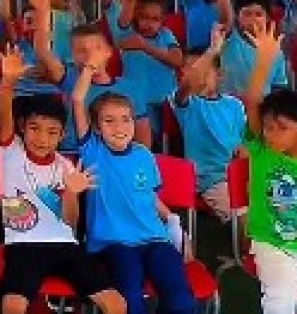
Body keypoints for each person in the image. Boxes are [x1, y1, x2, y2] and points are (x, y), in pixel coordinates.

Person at [0, 49, 126, 314]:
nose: (42, 138)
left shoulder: (67, 166)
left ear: (62, 135)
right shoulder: (11, 151)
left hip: (65, 246)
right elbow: (4, 110)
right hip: (23, 245)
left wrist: (71, 193)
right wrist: (7, 83)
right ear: (21, 128)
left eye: (52, 132)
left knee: (116, 304)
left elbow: (71, 224)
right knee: (13, 306)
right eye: (34, 129)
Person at [72, 66, 197, 314]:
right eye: (109, 121)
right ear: (96, 128)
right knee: (130, 298)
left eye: (126, 119)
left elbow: (149, 197)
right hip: (113, 244)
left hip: (154, 239)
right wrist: (87, 70)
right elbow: (77, 99)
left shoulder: (143, 155)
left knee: (181, 298)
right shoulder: (93, 151)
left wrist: (176, 227)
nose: (119, 127)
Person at [240, 19, 297, 314]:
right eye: (268, 127)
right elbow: (252, 100)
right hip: (271, 243)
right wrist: (264, 59)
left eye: (282, 128)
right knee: (281, 299)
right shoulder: (262, 150)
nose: (271, 134)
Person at [168, 28, 247, 223]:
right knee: (247, 220)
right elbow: (190, 83)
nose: (197, 72)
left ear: (219, 74)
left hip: (240, 173)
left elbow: (243, 142)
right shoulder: (186, 103)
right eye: (190, 68)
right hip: (211, 180)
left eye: (204, 67)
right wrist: (212, 51)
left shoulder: (234, 105)